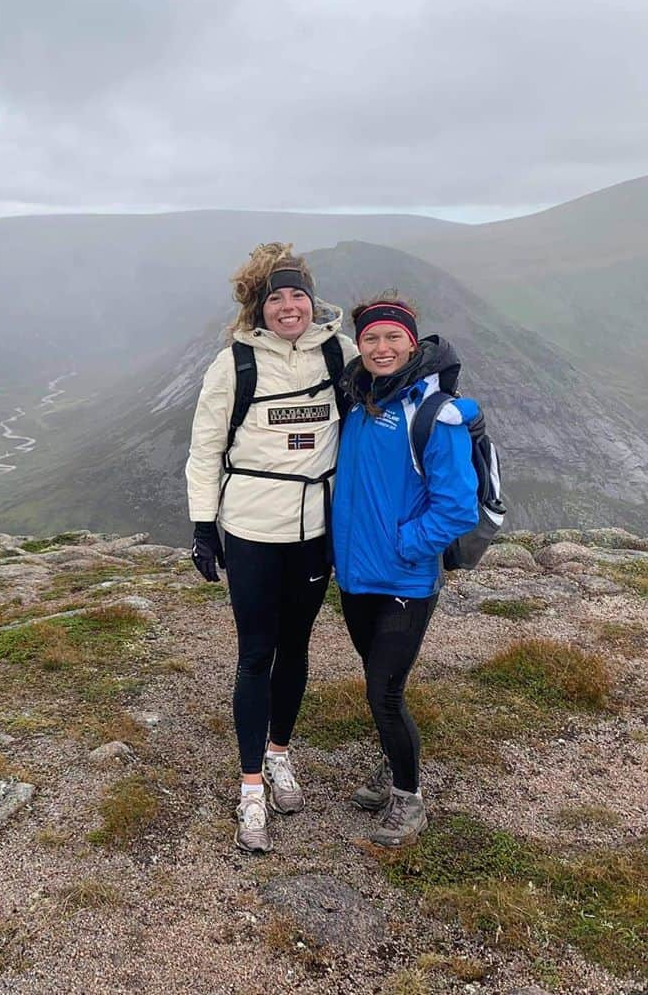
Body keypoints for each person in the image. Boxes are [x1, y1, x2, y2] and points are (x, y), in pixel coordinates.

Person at [186, 243, 356, 853]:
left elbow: (383, 398)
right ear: (260, 307)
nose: (289, 306)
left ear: (313, 301)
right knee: (256, 653)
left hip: (315, 532)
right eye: (276, 297)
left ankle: (280, 752)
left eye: (298, 295)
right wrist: (204, 527)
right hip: (254, 530)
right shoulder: (234, 364)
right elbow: (205, 449)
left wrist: (432, 374)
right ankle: (251, 785)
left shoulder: (341, 352)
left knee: (298, 647)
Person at [331, 293, 480, 847]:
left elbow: (458, 506)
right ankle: (395, 767)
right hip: (355, 578)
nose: (381, 347)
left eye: (393, 337)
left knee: (383, 693)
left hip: (405, 579)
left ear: (412, 343)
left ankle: (410, 800)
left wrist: (404, 546)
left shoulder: (433, 413)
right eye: (371, 338)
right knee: (381, 683)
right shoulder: (357, 400)